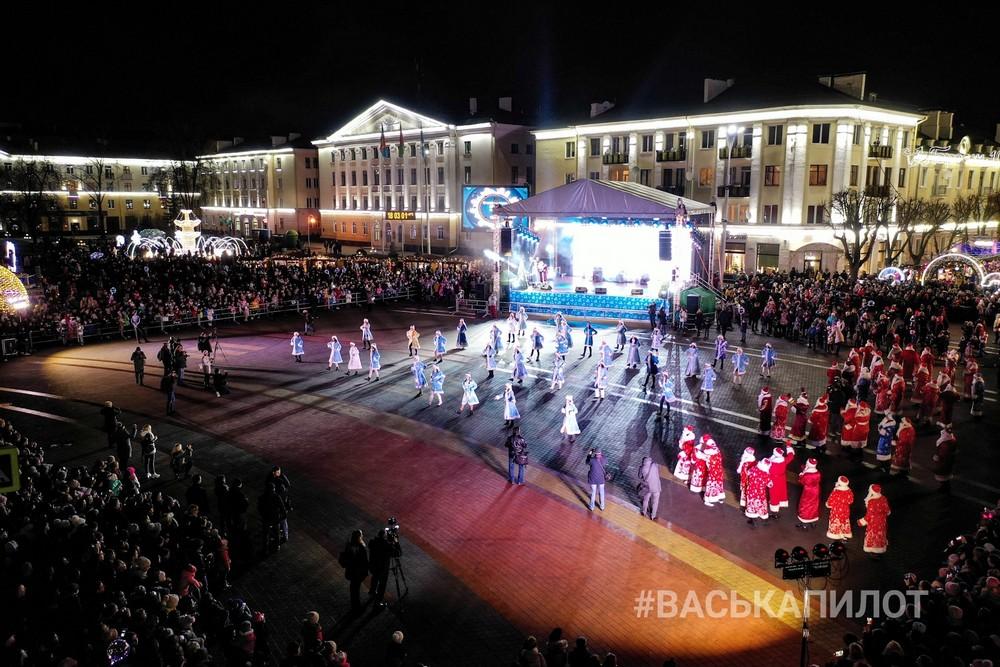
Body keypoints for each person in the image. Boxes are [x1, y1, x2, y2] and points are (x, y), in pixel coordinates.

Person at [339, 530, 369, 613]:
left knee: (353, 588)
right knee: (356, 589)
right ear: (359, 537)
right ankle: (356, 607)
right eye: (361, 535)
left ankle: (354, 605)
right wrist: (365, 571)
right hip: (358, 572)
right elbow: (364, 561)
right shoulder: (361, 547)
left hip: (351, 571)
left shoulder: (349, 545)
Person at [858, 484, 890, 555]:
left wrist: (862, 521)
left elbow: (869, 515)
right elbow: (887, 511)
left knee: (873, 534)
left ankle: (873, 550)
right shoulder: (883, 498)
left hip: (873, 522)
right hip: (882, 521)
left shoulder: (871, 502)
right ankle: (880, 547)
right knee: (880, 533)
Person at [367, 529, 393, 608]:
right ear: (384, 536)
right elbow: (397, 552)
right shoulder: (386, 544)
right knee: (382, 585)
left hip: (374, 566)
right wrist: (393, 542)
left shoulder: (372, 542)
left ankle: (372, 592)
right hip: (383, 568)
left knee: (374, 578)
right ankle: (378, 602)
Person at [767, 444, 795, 518]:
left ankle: (774, 511)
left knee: (774, 494)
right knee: (781, 492)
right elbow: (791, 456)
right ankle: (779, 505)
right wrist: (789, 447)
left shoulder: (771, 463)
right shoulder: (784, 460)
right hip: (781, 479)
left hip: (773, 480)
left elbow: (765, 469)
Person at [744, 458, 773, 526]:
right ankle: (764, 517)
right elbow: (770, 485)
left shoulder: (753, 469)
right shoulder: (766, 474)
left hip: (751, 491)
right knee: (760, 504)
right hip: (760, 493)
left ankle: (753, 520)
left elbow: (747, 472)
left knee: (751, 504)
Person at [825, 476, 854, 540]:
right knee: (844, 521)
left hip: (836, 510)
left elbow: (830, 500)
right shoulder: (849, 491)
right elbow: (851, 500)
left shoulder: (836, 491)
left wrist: (828, 504)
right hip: (845, 510)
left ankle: (835, 535)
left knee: (836, 521)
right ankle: (844, 534)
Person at [796, 458, 821, 530]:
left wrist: (801, 475)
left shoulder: (807, 475)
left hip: (808, 491)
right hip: (816, 490)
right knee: (814, 505)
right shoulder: (818, 473)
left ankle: (804, 524)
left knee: (805, 506)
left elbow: (802, 481)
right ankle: (813, 522)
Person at [700, 438, 725, 506]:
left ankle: (718, 497)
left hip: (717, 472)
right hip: (713, 473)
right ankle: (708, 500)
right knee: (712, 485)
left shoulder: (714, 452)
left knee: (717, 485)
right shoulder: (715, 452)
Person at [932, 425, 957, 491]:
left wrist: (937, 457)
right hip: (948, 461)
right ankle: (945, 487)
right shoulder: (952, 439)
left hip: (943, 462)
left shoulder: (945, 443)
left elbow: (942, 453)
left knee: (943, 475)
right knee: (946, 474)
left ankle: (945, 488)